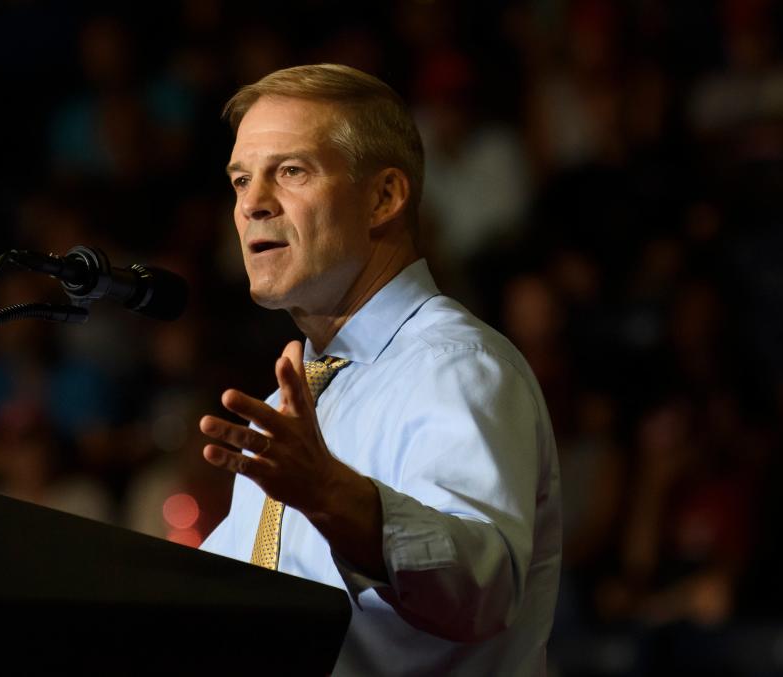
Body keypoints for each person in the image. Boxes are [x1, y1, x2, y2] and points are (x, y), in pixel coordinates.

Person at [197, 63, 561, 676]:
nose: (253, 204)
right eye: (239, 180)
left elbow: (483, 590)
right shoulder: (294, 408)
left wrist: (333, 497)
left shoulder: (457, 367)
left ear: (384, 197)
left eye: (290, 171)